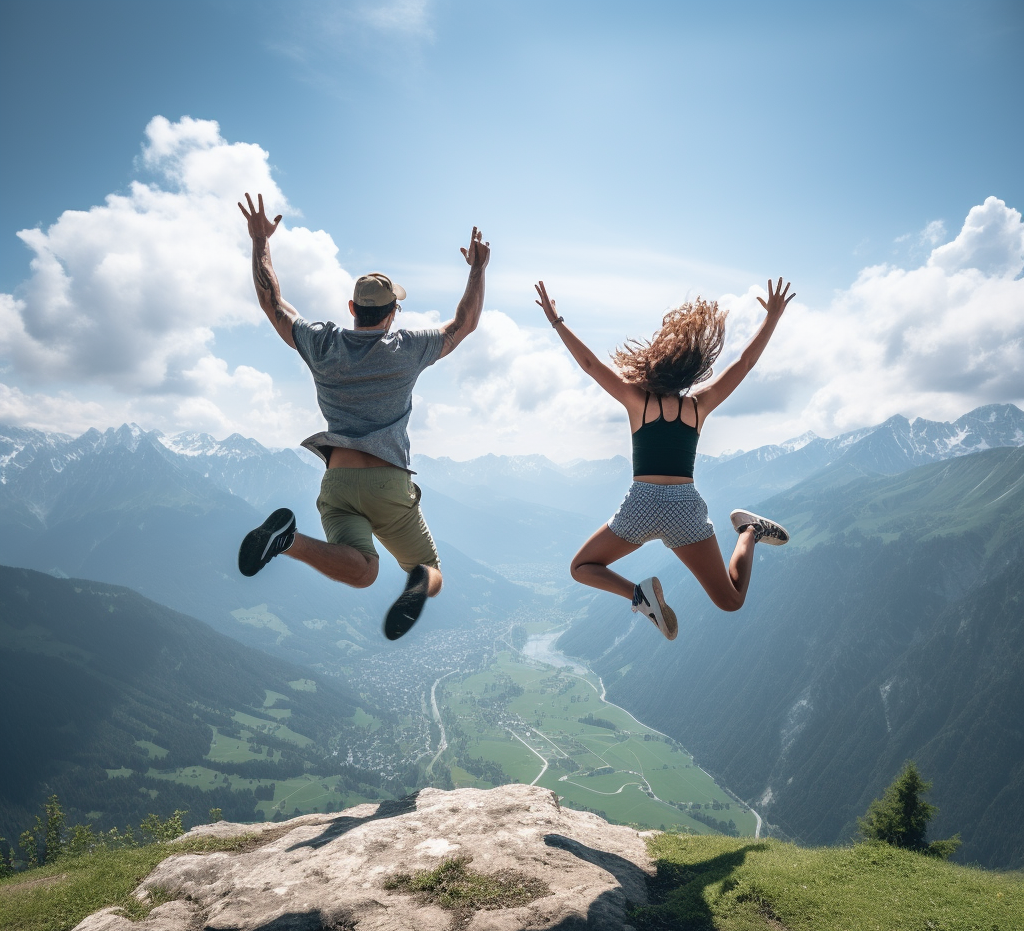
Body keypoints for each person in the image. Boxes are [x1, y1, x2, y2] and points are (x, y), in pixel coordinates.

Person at [237, 192, 490, 640]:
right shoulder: (407, 348)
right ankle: (417, 581)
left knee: (363, 572)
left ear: (352, 309)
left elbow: (272, 302)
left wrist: (260, 241)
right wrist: (477, 269)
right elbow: (463, 323)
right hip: (388, 483)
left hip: (338, 482)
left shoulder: (323, 344)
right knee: (429, 573)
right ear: (393, 313)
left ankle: (288, 541)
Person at [533, 277, 795, 640]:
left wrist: (556, 321)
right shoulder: (699, 406)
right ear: (690, 370)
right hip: (684, 510)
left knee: (582, 567)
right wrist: (773, 318)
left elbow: (591, 365)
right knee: (731, 601)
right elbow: (746, 362)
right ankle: (749, 531)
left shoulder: (636, 402)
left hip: (640, 507)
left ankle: (638, 595)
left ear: (650, 366)